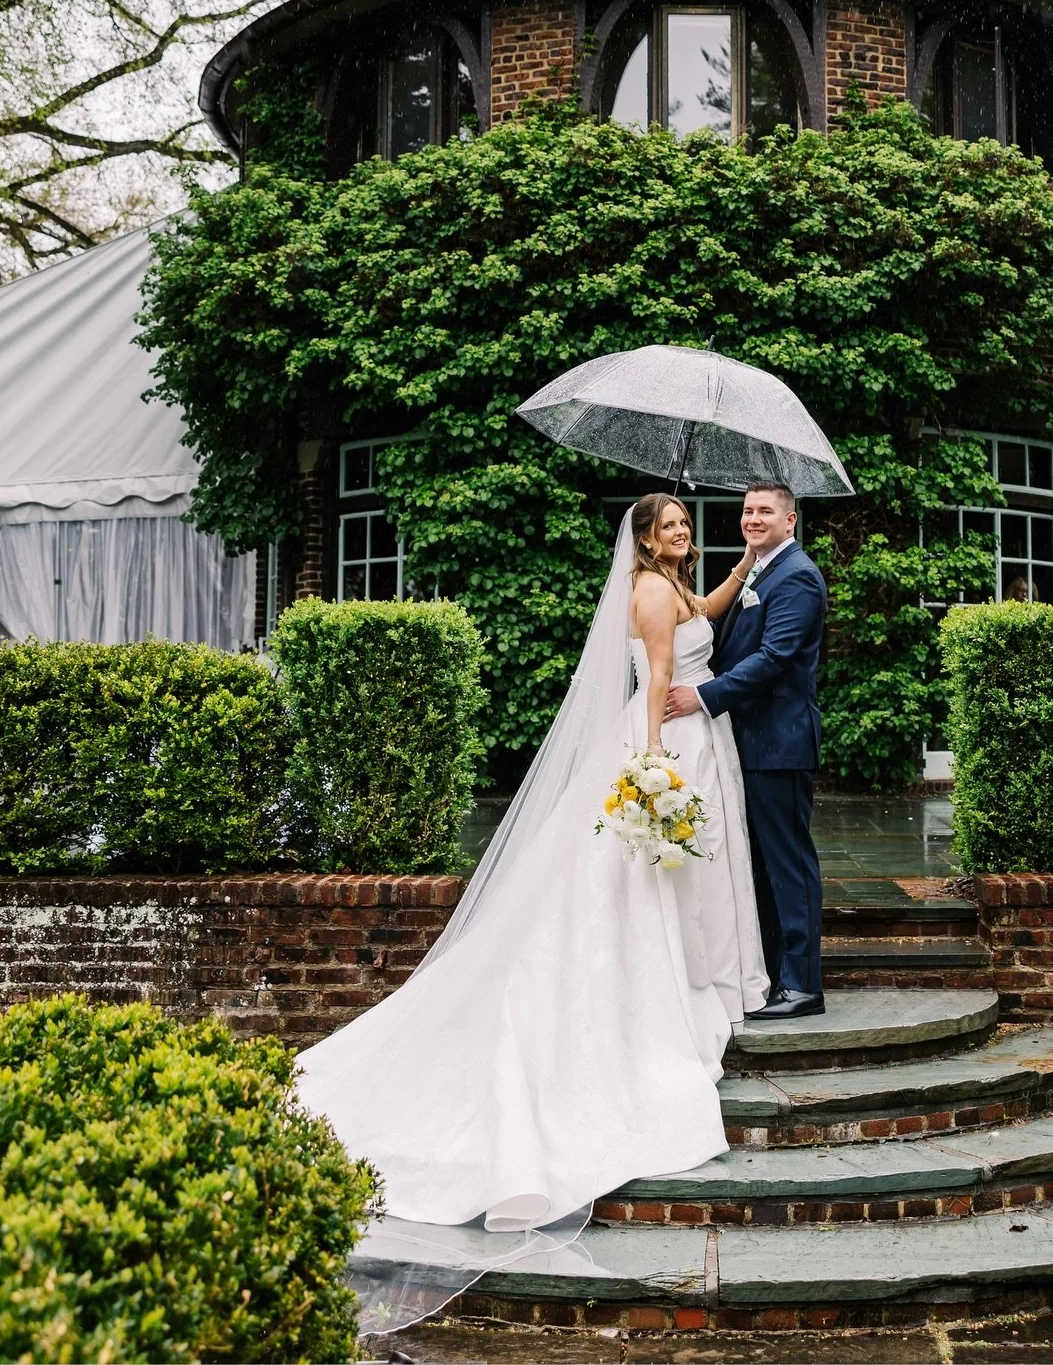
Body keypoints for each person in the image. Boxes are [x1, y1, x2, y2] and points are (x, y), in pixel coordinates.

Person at [294, 493, 767, 1242]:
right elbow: (655, 678)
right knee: (641, 880)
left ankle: (686, 971)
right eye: (669, 525)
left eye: (685, 523)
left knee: (669, 878)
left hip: (694, 739)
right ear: (645, 539)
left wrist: (742, 566)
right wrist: (651, 770)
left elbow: (700, 614)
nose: (682, 531)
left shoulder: (675, 586)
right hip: (665, 745)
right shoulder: (649, 590)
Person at [666, 481, 828, 1018]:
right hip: (749, 741)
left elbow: (775, 657)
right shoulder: (759, 568)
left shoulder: (798, 576)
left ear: (790, 521)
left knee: (788, 862)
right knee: (759, 863)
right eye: (747, 511)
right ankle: (776, 975)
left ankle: (803, 985)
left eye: (765, 512)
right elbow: (721, 629)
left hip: (779, 741)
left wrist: (702, 696)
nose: (753, 519)